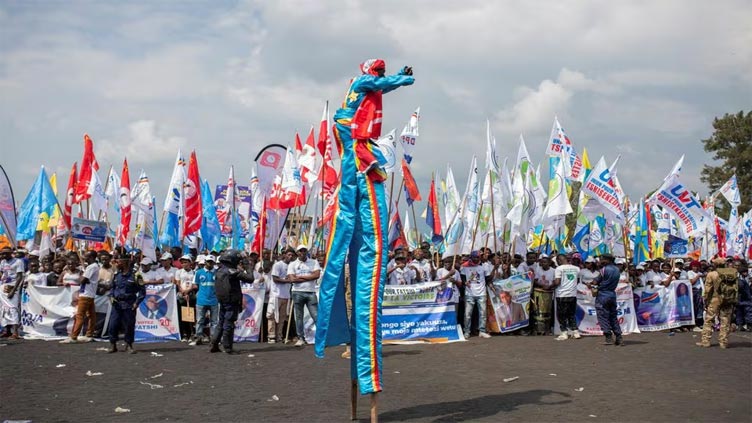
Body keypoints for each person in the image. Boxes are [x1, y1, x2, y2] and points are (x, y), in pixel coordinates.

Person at [314, 59, 414, 399]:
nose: (378, 78)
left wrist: (397, 80)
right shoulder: (361, 84)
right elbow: (380, 85)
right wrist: (401, 80)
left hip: (359, 150)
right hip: (353, 146)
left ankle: (365, 367)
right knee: (354, 234)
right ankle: (349, 347)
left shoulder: (365, 93)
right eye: (377, 72)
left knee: (370, 246)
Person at [210, 249, 255, 354]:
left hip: (223, 301)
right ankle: (228, 347)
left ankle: (214, 344)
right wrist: (247, 266)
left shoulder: (219, 270)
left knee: (221, 323)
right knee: (229, 324)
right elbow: (250, 278)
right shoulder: (232, 271)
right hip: (231, 301)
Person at [107, 251, 145, 353]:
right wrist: (111, 297)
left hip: (129, 304)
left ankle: (129, 345)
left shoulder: (136, 276)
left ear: (126, 262)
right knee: (113, 325)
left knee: (129, 325)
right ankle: (113, 344)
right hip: (117, 304)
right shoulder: (116, 275)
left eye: (119, 261)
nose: (117, 263)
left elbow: (142, 291)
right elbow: (112, 288)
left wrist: (136, 303)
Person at [697, 258, 738, 349]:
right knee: (725, 320)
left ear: (715, 265)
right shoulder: (732, 273)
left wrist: (706, 300)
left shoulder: (711, 274)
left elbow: (708, 289)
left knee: (709, 320)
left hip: (715, 299)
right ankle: (723, 342)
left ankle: (706, 341)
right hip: (728, 299)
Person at [61, 251, 100, 343]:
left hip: (86, 294)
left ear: (91, 257)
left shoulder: (91, 267)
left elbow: (81, 280)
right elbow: (83, 280)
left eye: (86, 256)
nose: (83, 258)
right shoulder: (92, 267)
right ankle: (89, 334)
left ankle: (74, 336)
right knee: (91, 315)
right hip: (88, 293)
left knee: (80, 315)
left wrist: (82, 277)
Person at [288, 245, 321, 346]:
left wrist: (300, 277)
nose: (302, 253)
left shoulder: (314, 262)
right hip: (297, 292)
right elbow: (292, 279)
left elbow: (317, 275)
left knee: (316, 315)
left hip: (311, 292)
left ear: (307, 252)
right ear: (297, 253)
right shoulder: (292, 264)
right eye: (300, 251)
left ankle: (321, 337)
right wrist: (309, 277)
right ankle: (301, 338)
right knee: (299, 316)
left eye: (304, 251)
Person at [590, 254, 623, 346]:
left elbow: (595, 281)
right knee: (613, 316)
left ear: (606, 260)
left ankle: (608, 336)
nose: (599, 261)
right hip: (612, 294)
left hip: (603, 295)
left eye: (601, 259)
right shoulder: (617, 270)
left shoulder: (604, 270)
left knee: (602, 316)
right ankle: (619, 336)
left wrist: (591, 284)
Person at [460, 251, 491, 339]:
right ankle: (466, 331)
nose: (476, 259)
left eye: (478, 257)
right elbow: (462, 278)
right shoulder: (465, 266)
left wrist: (495, 268)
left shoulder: (484, 266)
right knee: (467, 314)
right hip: (469, 293)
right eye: (474, 257)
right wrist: (464, 283)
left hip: (482, 293)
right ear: (471, 257)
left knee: (483, 313)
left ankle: (482, 331)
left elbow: (488, 278)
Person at [552, 254, 581, 340]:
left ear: (559, 260)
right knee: (571, 313)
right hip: (572, 294)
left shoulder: (559, 269)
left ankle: (564, 333)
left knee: (561, 314)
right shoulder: (576, 268)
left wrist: (551, 285)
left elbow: (557, 282)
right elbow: (578, 281)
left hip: (562, 294)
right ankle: (575, 332)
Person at [191, 255, 218, 346]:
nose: (210, 263)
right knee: (199, 320)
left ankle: (213, 339)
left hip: (214, 300)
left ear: (214, 263)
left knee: (214, 321)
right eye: (208, 261)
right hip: (201, 300)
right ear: (205, 262)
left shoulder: (217, 272)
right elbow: (196, 285)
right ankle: (198, 337)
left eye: (211, 262)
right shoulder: (199, 272)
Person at [268, 250, 293, 344]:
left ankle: (279, 336)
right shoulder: (278, 265)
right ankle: (271, 336)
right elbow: (275, 279)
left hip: (286, 295)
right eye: (289, 254)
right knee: (272, 316)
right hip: (276, 295)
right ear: (284, 255)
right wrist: (287, 281)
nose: (290, 256)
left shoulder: (291, 266)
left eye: (291, 255)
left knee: (282, 317)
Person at [1, 247, 25, 339]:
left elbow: (19, 276)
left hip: (13, 286)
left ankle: (15, 332)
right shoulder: (3, 262)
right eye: (2, 253)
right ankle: (7, 331)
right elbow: (2, 273)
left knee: (13, 308)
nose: (3, 255)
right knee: (4, 309)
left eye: (6, 253)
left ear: (11, 253)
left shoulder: (18, 261)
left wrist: (13, 290)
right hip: (3, 286)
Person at [174, 254, 196, 341]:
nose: (184, 264)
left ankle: (191, 333)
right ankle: (184, 334)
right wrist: (182, 291)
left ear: (190, 263)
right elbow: (178, 283)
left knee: (190, 314)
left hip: (191, 295)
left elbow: (195, 285)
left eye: (186, 262)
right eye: (182, 263)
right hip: (181, 295)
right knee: (182, 314)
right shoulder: (179, 272)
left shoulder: (194, 272)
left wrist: (188, 291)